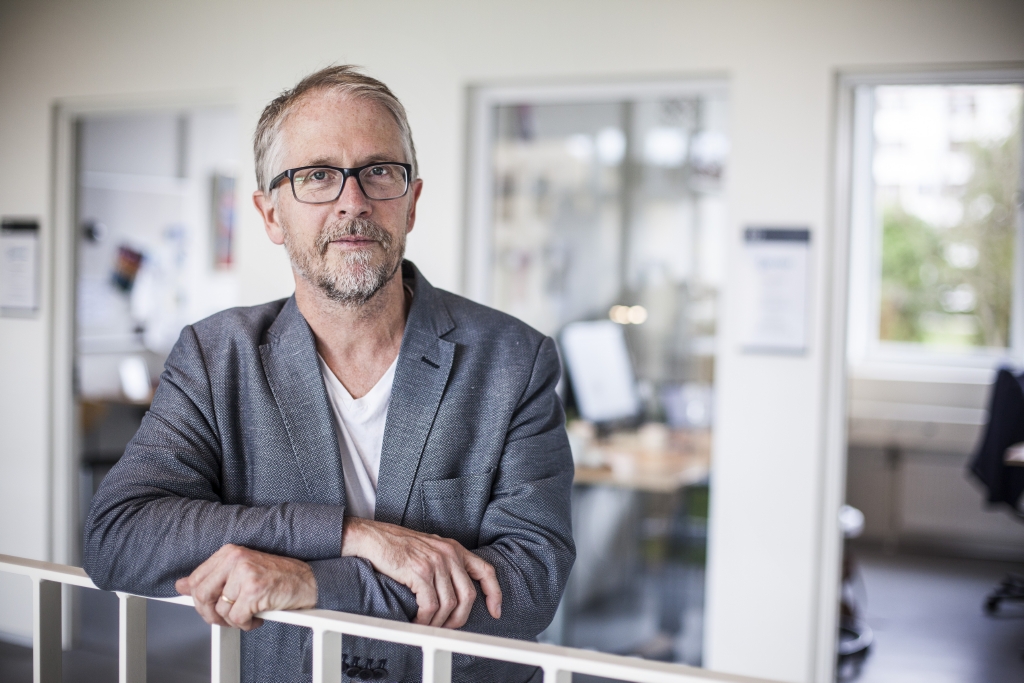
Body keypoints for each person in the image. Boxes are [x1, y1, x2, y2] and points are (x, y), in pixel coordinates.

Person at [83, 65, 575, 683]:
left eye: (378, 172)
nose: (353, 200)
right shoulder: (216, 356)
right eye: (317, 176)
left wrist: (315, 581)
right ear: (269, 215)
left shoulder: (514, 359)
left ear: (411, 202)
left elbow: (530, 583)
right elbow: (118, 536)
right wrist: (348, 535)